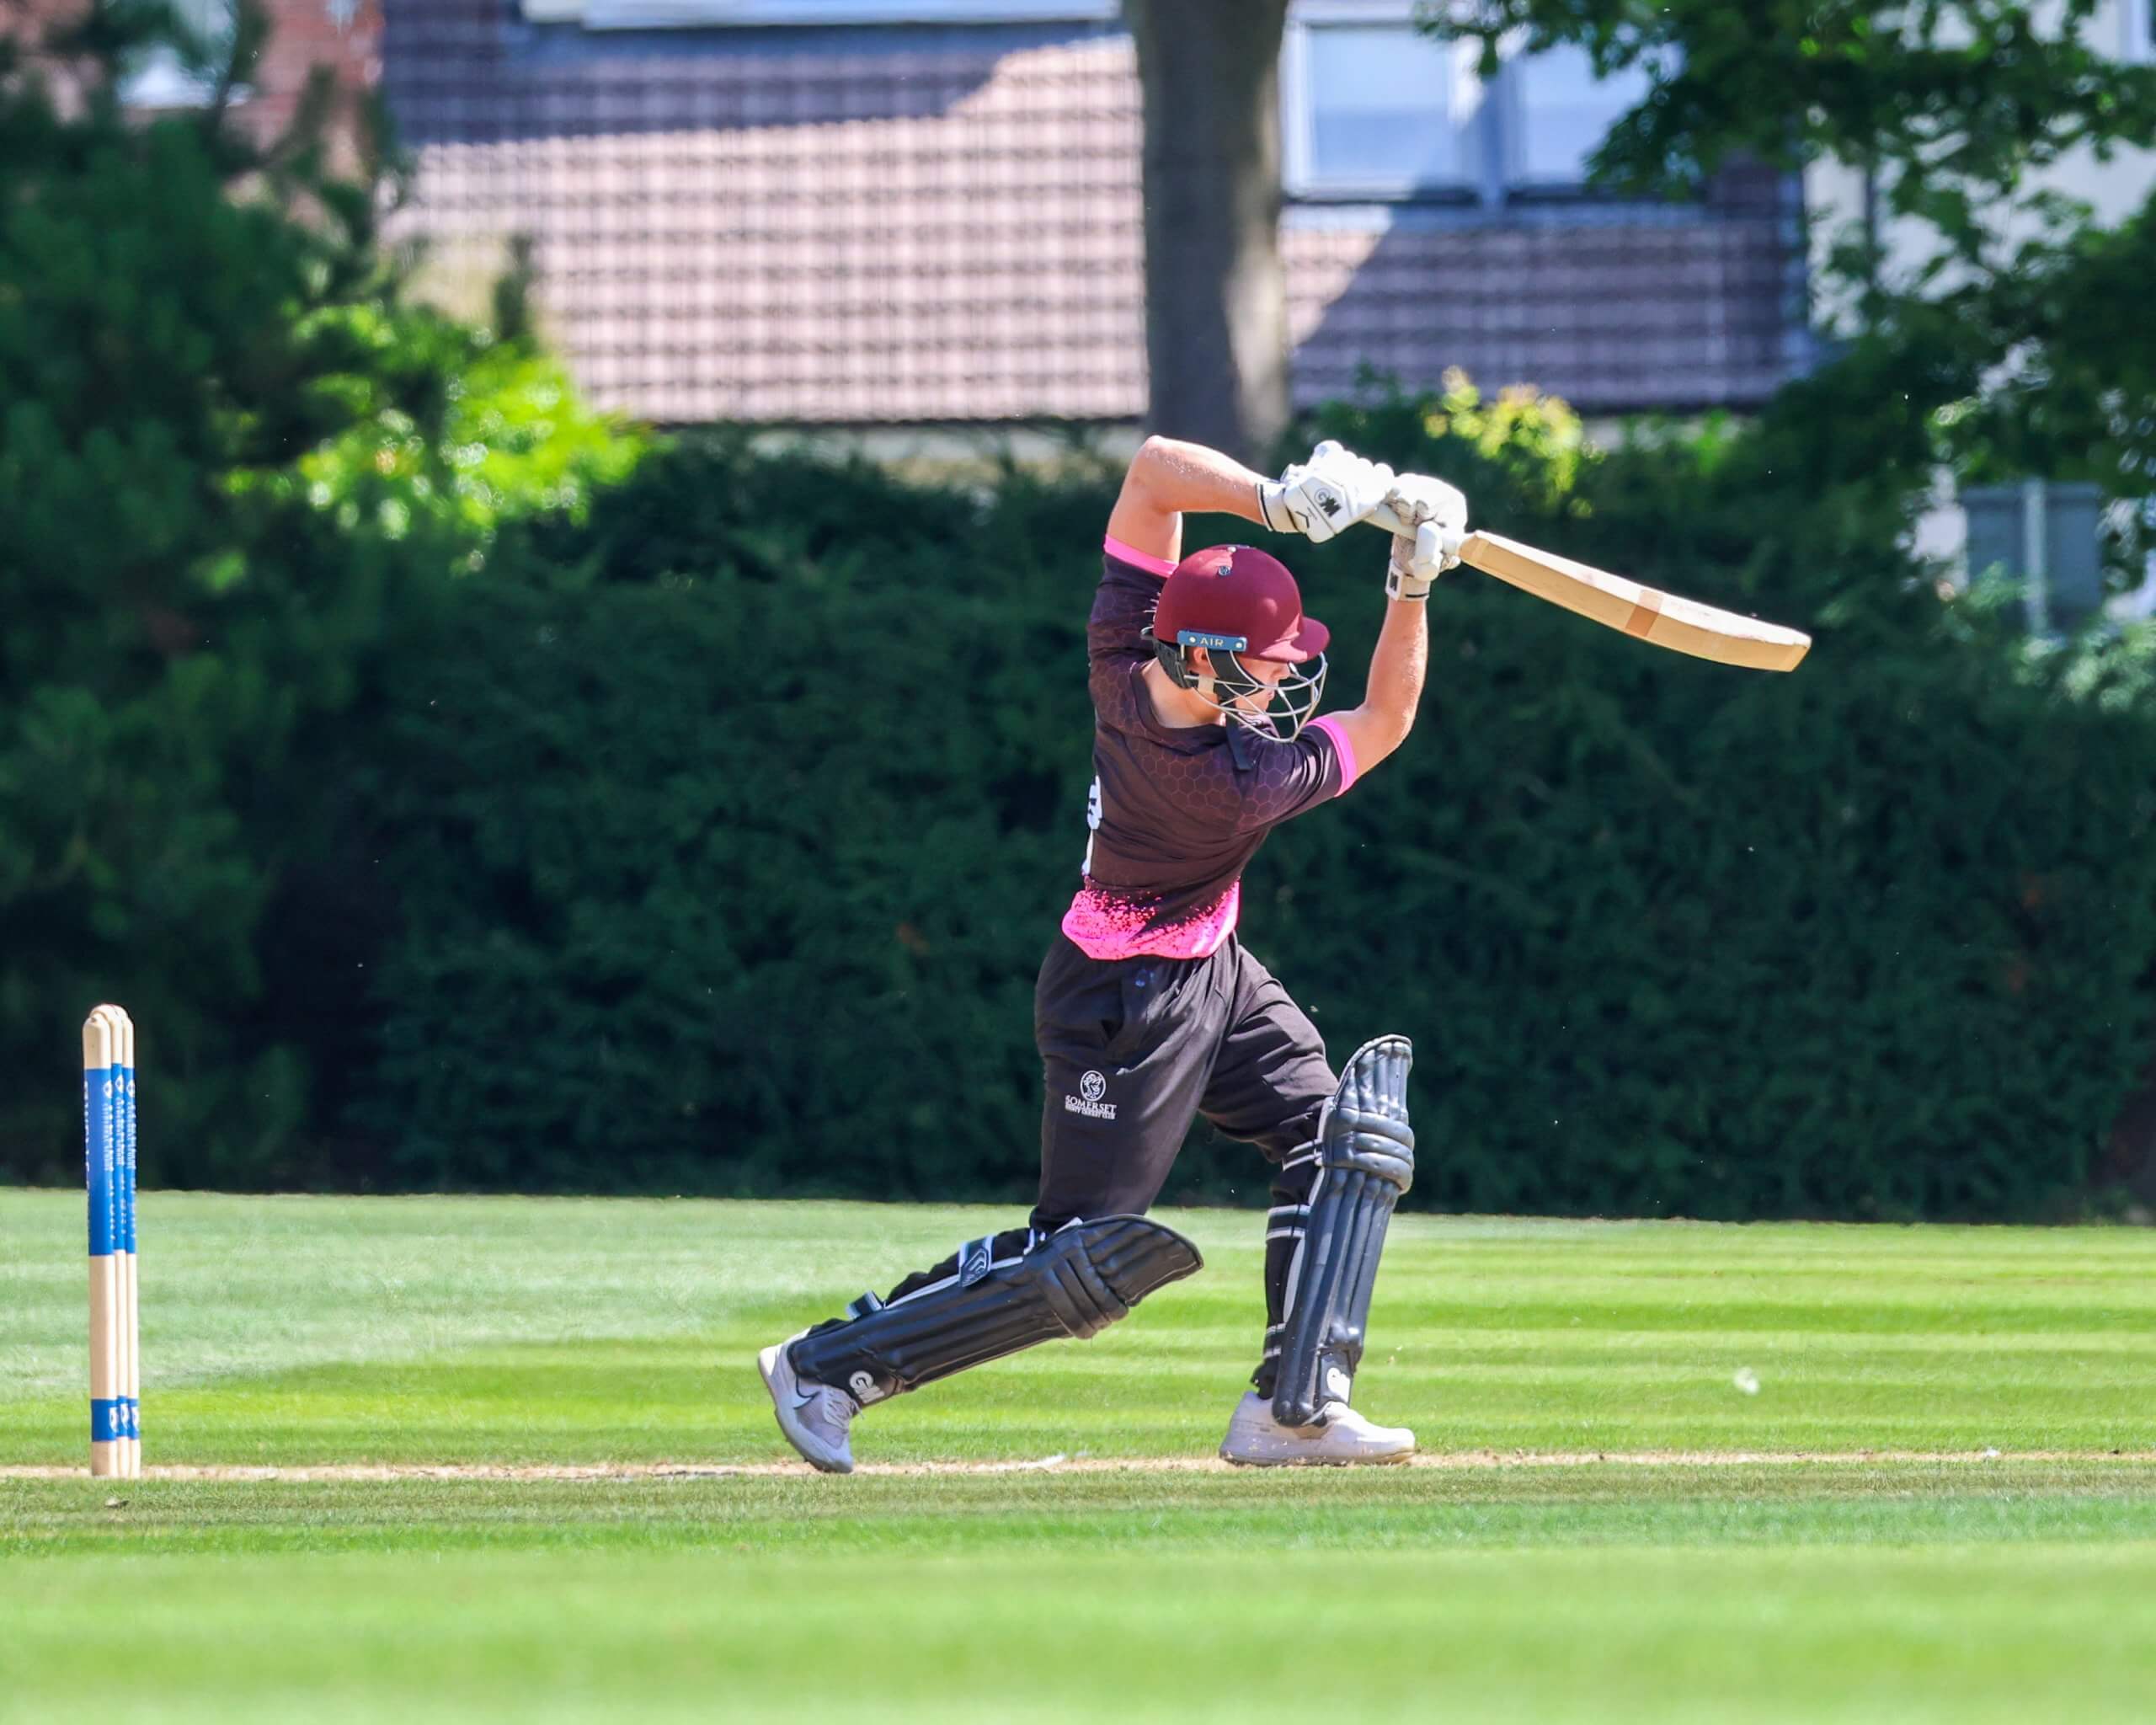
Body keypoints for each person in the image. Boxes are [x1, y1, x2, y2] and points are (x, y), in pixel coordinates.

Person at [758, 436, 1466, 1471]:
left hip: (1212, 965)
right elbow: (1387, 716)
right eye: (1274, 658)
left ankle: (1294, 1406)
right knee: (1079, 1260)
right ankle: (826, 1365)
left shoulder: (1124, 651)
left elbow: (1151, 472)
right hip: (1123, 1002)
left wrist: (1279, 501)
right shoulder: (1232, 781)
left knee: (1338, 1140)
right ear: (1208, 660)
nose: (1290, 673)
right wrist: (1411, 587)